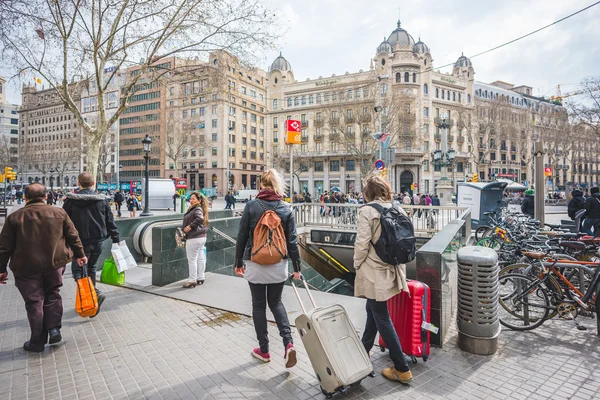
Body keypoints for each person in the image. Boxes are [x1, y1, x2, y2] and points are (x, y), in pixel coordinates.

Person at [0, 183, 87, 352]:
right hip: (54, 264)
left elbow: (4, 247)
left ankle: (37, 341)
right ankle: (54, 329)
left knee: (34, 302)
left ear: (25, 197)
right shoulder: (59, 212)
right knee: (53, 295)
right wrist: (80, 254)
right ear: (46, 196)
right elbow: (73, 235)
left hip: (26, 268)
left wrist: (2, 269)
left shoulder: (15, 217)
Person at [234, 169, 301, 368]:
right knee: (276, 303)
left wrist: (238, 262)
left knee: (258, 306)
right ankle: (288, 343)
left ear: (261, 185)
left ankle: (264, 351)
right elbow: (293, 242)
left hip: (255, 262)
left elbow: (242, 237)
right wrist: (297, 267)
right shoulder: (286, 208)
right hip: (278, 264)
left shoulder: (252, 206)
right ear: (278, 185)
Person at [354, 175, 412, 384]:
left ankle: (402, 368)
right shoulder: (398, 209)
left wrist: (357, 264)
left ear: (367, 192)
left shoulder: (367, 211)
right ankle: (364, 351)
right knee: (373, 311)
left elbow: (361, 243)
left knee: (381, 316)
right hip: (392, 268)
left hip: (373, 271)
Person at [63, 172, 121, 317]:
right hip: (98, 240)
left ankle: (94, 294)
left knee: (78, 271)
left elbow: (63, 222)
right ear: (93, 183)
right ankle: (92, 300)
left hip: (79, 242)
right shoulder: (101, 200)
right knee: (91, 268)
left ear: (79, 183)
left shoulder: (70, 201)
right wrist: (116, 238)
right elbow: (110, 221)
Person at [182, 192, 209, 288]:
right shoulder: (199, 208)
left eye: (193, 199)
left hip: (194, 237)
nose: (191, 200)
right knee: (200, 258)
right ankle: (200, 277)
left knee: (192, 260)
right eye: (190, 198)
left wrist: (190, 226)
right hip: (201, 237)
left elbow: (200, 219)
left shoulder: (197, 209)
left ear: (199, 200)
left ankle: (192, 280)